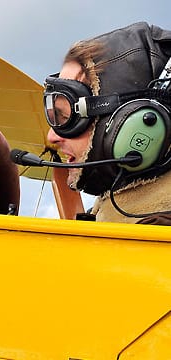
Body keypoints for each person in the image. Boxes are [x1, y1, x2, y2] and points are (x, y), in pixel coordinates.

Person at [45, 22, 171, 225]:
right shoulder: (117, 224)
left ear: (139, 124)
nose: (52, 136)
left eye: (66, 116)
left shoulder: (153, 243)